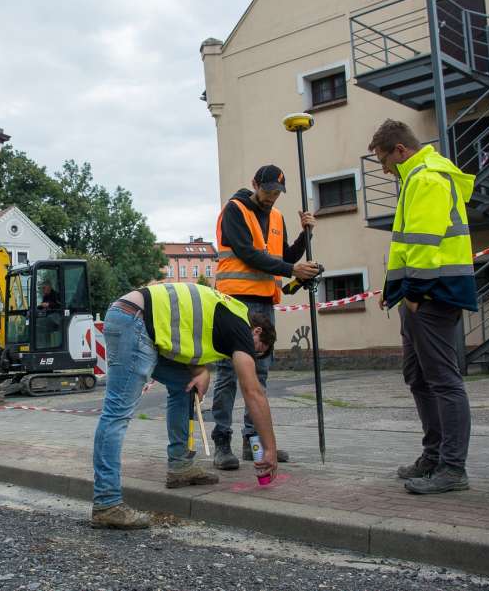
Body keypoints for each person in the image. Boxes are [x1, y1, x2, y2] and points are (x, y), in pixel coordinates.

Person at [92, 282, 280, 530]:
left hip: (135, 318)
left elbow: (183, 330)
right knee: (117, 412)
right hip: (135, 321)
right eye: (257, 350)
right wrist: (270, 449)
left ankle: (180, 465)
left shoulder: (227, 311)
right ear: (256, 332)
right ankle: (107, 503)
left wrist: (199, 370)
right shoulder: (240, 326)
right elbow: (253, 391)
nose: (251, 355)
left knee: (184, 385)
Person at [368, 119, 477, 495]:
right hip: (420, 294)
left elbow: (425, 244)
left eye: (385, 161)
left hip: (433, 294)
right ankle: (433, 457)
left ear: (401, 150)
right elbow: (408, 244)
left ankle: (452, 467)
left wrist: (413, 293)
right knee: (419, 377)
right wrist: (394, 289)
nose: (385, 170)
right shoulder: (417, 178)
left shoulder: (427, 178)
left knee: (444, 381)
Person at [211, 164, 321, 470]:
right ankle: (222, 442)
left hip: (264, 303)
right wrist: (291, 270)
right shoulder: (235, 210)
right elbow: (247, 254)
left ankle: (254, 442)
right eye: (268, 190)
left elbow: (285, 257)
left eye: (277, 192)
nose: (272, 197)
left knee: (259, 373)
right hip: (234, 302)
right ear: (255, 184)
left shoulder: (276, 217)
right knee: (228, 374)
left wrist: (305, 234)